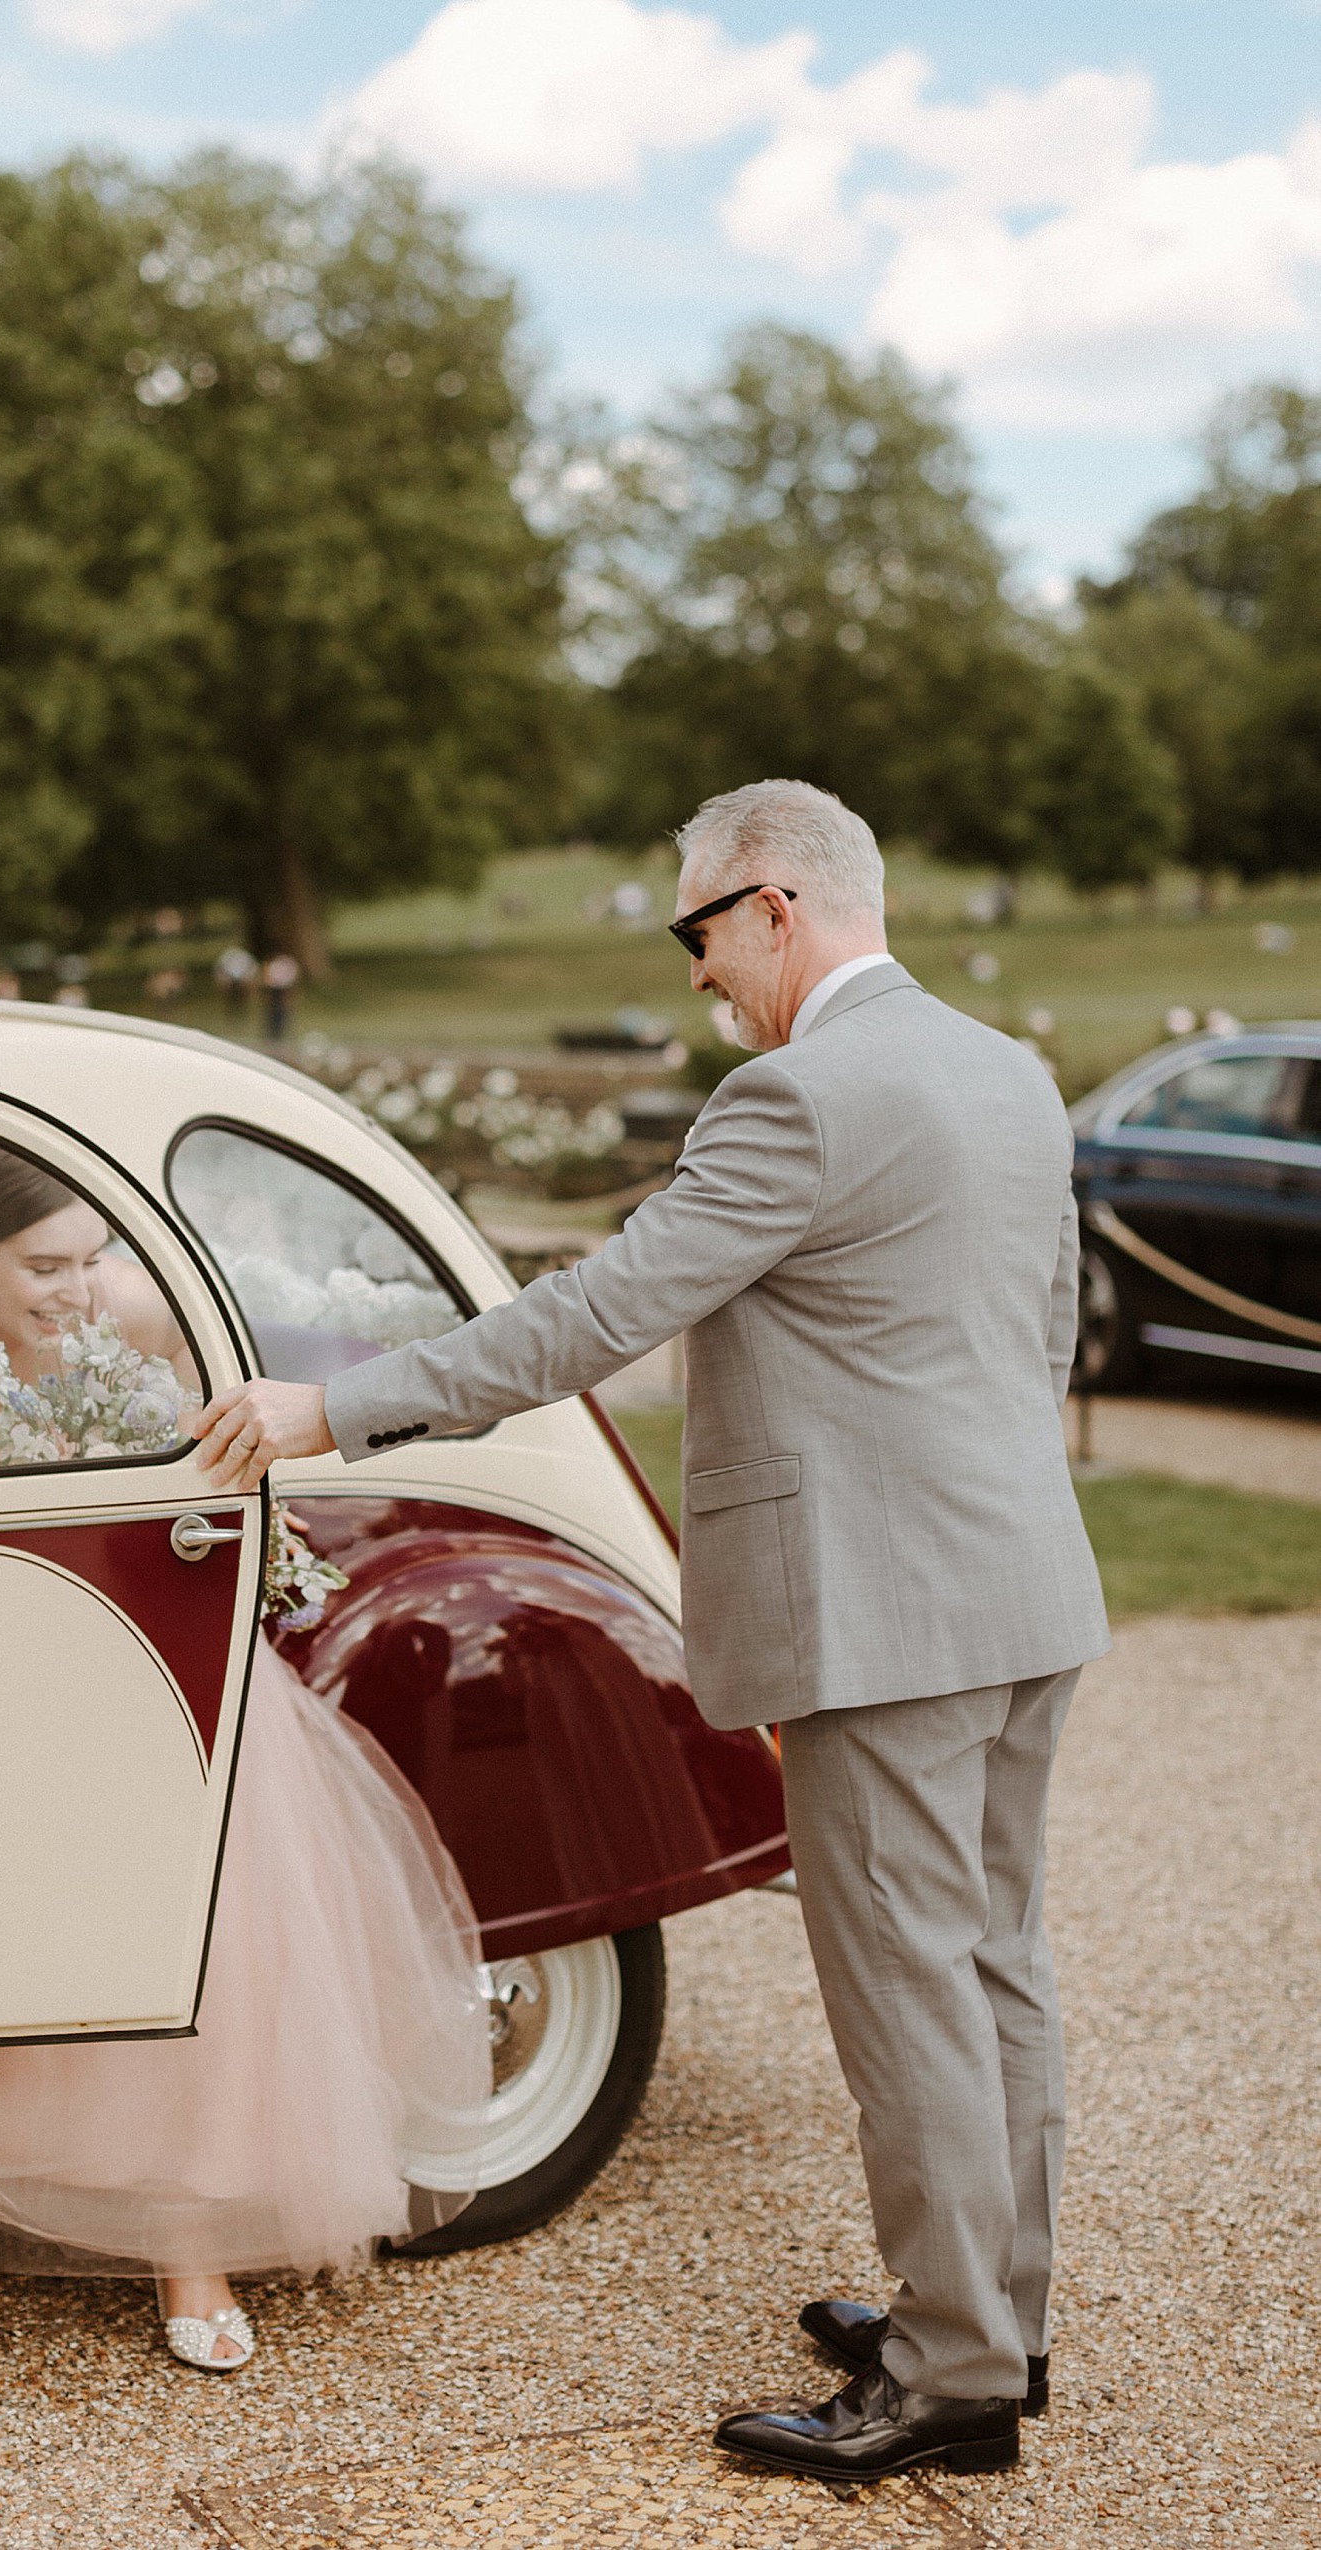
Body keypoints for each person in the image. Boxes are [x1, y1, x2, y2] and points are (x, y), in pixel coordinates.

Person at [191, 779, 1109, 2480]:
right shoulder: (1007, 1071)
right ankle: (997, 2311)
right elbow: (1037, 1333)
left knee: (911, 1991)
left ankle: (956, 2374)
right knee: (996, 1967)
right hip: (1021, 1587)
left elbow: (599, 1313)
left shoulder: (797, 1097)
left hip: (885, 1618)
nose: (693, 972)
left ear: (773, 904)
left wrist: (336, 1413)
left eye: (694, 930)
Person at [0, 1139, 489, 2371]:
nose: (77, 1287)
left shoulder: (123, 1303)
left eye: (93, 1255)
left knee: (221, 1906)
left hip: (127, 1648)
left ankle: (188, 2243)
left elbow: (237, 1434)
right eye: (46, 1264)